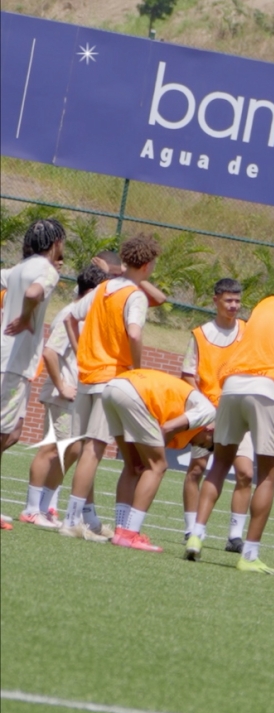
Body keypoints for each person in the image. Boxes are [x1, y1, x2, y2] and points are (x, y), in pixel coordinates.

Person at [185, 262, 274, 574]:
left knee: (219, 463)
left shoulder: (266, 303)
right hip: (270, 392)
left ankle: (196, 536)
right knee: (267, 475)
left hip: (233, 385)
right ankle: (248, 555)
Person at [62, 233, 161, 541]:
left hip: (87, 375)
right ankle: (71, 520)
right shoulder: (135, 296)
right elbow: (133, 333)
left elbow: (70, 317)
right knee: (94, 449)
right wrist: (137, 368)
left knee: (84, 449)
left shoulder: (103, 287)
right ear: (146, 265)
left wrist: (82, 353)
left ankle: (77, 518)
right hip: (110, 378)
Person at [21, 264, 106, 528]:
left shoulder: (85, 317)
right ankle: (32, 509)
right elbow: (50, 352)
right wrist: (61, 386)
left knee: (72, 450)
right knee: (51, 448)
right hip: (62, 396)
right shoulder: (70, 314)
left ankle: (45, 507)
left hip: (75, 396)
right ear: (91, 291)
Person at [101, 368, 215, 552]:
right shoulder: (209, 412)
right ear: (210, 431)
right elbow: (167, 428)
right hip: (135, 393)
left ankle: (121, 532)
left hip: (112, 388)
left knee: (133, 466)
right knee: (158, 466)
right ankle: (130, 534)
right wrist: (155, 455)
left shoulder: (194, 407)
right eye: (206, 445)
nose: (199, 447)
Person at [181, 279, 254, 553]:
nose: (234, 306)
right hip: (207, 415)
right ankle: (191, 528)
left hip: (239, 413)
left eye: (237, 301)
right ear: (215, 301)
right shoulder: (200, 335)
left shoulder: (248, 331)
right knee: (197, 469)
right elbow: (189, 375)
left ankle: (235, 536)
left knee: (245, 473)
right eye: (228, 300)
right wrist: (204, 413)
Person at [2, 219, 65, 453]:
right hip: (14, 363)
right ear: (57, 243)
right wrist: (26, 317)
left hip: (10, 359)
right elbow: (32, 293)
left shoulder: (19, 268)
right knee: (4, 433)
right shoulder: (48, 271)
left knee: (14, 433)